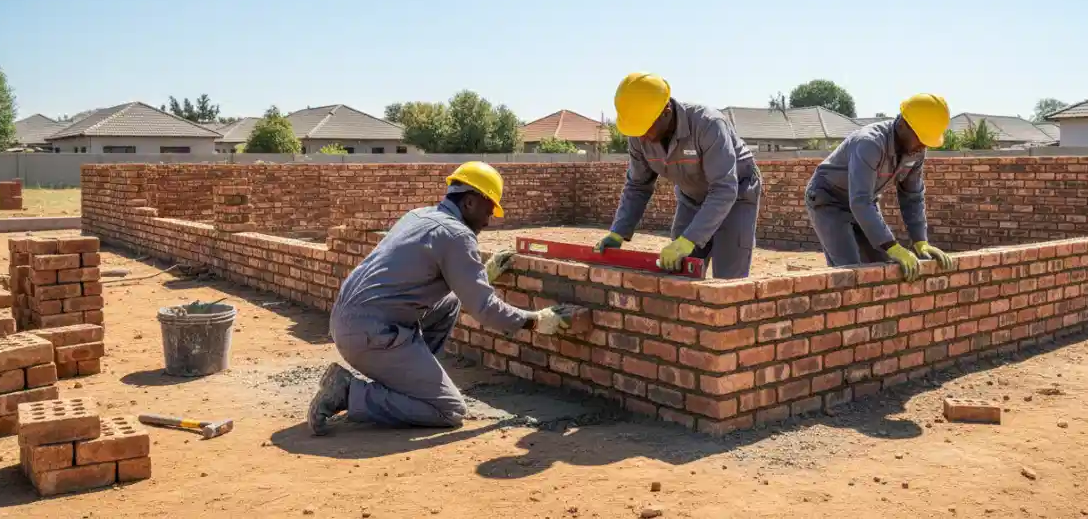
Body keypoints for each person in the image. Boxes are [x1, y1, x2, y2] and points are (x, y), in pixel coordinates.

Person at [308, 161, 575, 435]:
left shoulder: (419, 216)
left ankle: (412, 378)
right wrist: (536, 321)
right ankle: (350, 393)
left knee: (450, 303)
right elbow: (484, 309)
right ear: (470, 202)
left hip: (348, 322)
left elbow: (431, 279)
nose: (489, 219)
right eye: (489, 209)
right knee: (449, 410)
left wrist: (482, 274)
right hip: (370, 335)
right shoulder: (457, 236)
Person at [594, 72, 762, 279]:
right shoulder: (638, 136)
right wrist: (618, 232)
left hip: (736, 193)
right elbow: (638, 185)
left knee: (728, 278)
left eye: (646, 127)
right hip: (692, 197)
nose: (642, 135)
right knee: (678, 270)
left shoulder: (707, 124)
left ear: (666, 111)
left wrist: (689, 239)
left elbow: (724, 188)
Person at [804, 93, 958, 281]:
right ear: (902, 125)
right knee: (849, 270)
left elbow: (912, 196)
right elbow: (859, 200)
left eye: (927, 140)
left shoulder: (916, 152)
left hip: (864, 202)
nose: (923, 145)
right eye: (920, 138)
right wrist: (891, 245)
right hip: (829, 200)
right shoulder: (870, 143)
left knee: (881, 265)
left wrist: (920, 241)